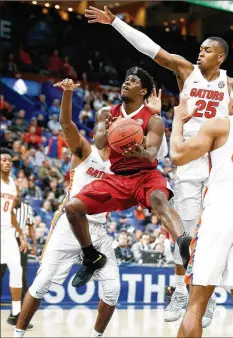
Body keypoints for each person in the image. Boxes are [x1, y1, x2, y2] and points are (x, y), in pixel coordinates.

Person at [84, 6, 233, 324]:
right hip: (189, 160)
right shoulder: (185, 71)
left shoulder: (232, 85)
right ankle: (182, 290)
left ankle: (205, 297)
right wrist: (116, 23)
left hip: (220, 163)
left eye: (206, 50)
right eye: (200, 48)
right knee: (185, 234)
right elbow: (151, 48)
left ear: (220, 56)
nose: (200, 53)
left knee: (216, 232)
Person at [65, 66, 191, 288]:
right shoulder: (106, 113)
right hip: (117, 178)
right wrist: (111, 129)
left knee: (159, 200)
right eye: (126, 79)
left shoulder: (154, 120)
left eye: (133, 81)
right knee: (73, 208)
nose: (126, 83)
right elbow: (100, 144)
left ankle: (183, 243)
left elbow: (152, 153)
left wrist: (141, 153)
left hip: (146, 175)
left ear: (143, 91)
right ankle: (91, 256)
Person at [14, 79, 120, 338]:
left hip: (98, 230)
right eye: (103, 120)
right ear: (95, 125)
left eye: (111, 120)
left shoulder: (120, 162)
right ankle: (17, 335)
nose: (107, 123)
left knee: (113, 290)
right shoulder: (84, 149)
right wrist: (69, 93)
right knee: (41, 283)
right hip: (69, 226)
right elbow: (65, 124)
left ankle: (96, 336)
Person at [169, 75, 233, 338]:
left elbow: (177, 155)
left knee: (196, 306)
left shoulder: (218, 125)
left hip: (218, 213)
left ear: (231, 103)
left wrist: (179, 119)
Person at [0, 148, 30, 326]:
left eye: (9, 160)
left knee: (17, 270)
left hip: (6, 232)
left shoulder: (12, 183)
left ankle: (16, 313)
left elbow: (11, 213)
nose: (7, 162)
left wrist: (21, 235)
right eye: (3, 160)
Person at [1, 190, 36, 300]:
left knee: (21, 273)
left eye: (19, 196)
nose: (17, 198)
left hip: (20, 242)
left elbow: (30, 226)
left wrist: (34, 244)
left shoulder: (27, 208)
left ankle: (23, 302)